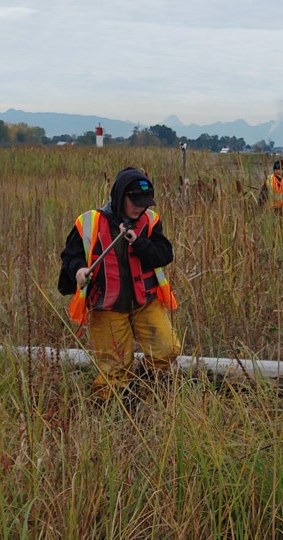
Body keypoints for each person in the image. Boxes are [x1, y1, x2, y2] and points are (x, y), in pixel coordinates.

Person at [58, 167, 181, 401]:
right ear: (119, 195)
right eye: (134, 201)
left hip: (146, 302)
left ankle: (146, 380)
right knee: (115, 369)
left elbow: (164, 255)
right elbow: (70, 256)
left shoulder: (151, 221)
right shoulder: (89, 222)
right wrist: (78, 270)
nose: (140, 207)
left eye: (145, 202)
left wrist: (139, 242)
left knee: (168, 350)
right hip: (107, 306)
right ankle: (109, 409)